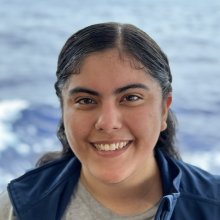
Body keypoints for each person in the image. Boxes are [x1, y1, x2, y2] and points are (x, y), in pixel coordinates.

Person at [0, 22, 219, 220]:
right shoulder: (17, 209)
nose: (107, 122)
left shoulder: (214, 205)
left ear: (163, 109)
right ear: (63, 110)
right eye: (86, 100)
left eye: (131, 98)